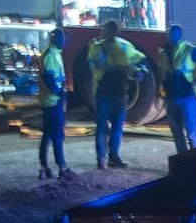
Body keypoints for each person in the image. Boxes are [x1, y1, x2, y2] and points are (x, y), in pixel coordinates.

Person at [87, 20, 147, 169]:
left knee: (110, 127)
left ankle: (108, 158)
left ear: (113, 31)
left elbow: (139, 63)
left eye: (106, 29)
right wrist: (138, 72)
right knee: (109, 127)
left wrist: (139, 73)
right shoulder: (104, 46)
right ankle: (106, 158)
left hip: (112, 93)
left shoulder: (103, 47)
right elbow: (139, 62)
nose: (103, 32)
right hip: (113, 93)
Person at [163, 23, 196, 155]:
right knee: (176, 132)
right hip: (171, 97)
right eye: (170, 34)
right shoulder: (164, 52)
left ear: (180, 35)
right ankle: (183, 160)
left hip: (187, 96)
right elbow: (162, 73)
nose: (172, 36)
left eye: (174, 33)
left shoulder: (190, 49)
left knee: (191, 133)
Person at [38, 28, 73, 180]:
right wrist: (61, 93)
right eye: (63, 39)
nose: (65, 42)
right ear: (57, 40)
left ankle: (44, 167)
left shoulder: (52, 53)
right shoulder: (52, 55)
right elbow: (50, 80)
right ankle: (62, 168)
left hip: (48, 100)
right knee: (57, 135)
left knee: (48, 135)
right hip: (53, 101)